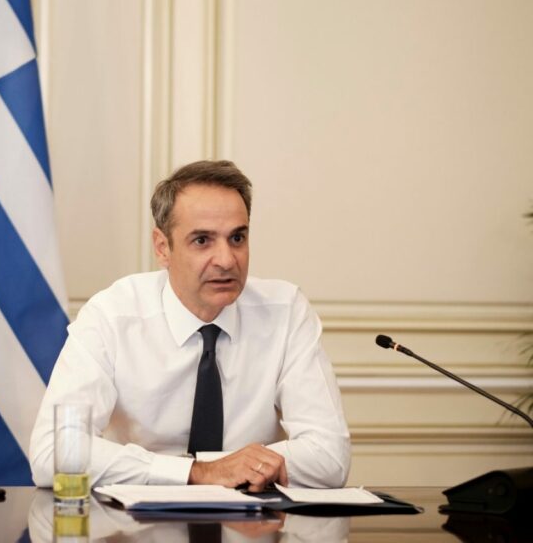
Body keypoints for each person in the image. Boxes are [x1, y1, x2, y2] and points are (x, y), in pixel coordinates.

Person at [29, 160, 350, 491]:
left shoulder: (286, 312)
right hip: (132, 520)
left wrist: (241, 468)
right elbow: (52, 451)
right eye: (202, 240)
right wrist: (197, 472)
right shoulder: (111, 316)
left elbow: (331, 456)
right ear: (162, 248)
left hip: (251, 520)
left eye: (237, 238)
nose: (226, 260)